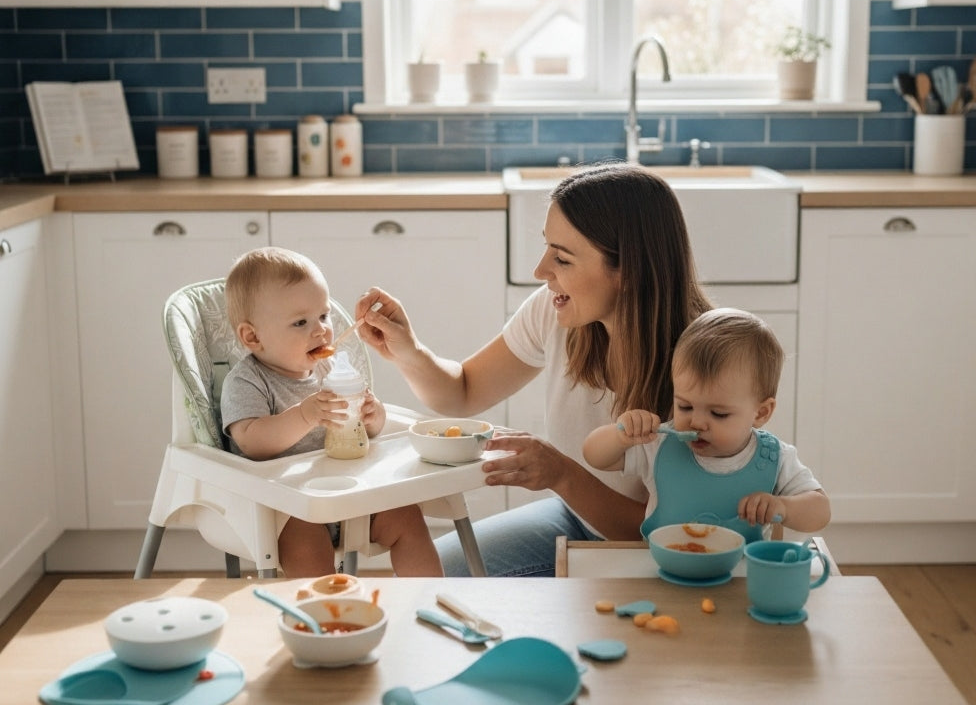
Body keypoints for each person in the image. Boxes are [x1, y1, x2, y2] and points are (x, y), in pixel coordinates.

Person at [352, 163, 714, 576]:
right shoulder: (558, 311)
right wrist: (407, 350)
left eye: (561, 258)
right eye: (547, 248)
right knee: (429, 574)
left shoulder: (704, 359)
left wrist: (560, 473)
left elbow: (665, 532)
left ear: (627, 271)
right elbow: (464, 391)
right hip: (575, 517)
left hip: (660, 553)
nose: (540, 272)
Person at [220, 246, 443, 578]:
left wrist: (372, 416)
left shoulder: (329, 370)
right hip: (289, 508)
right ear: (252, 336)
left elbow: (363, 433)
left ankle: (430, 597)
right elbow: (251, 441)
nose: (321, 330)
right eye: (300, 322)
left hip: (349, 492)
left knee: (406, 516)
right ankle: (324, 618)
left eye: (323, 316)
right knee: (307, 547)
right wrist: (305, 415)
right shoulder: (247, 381)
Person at [583, 307, 831, 541]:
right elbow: (594, 456)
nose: (697, 421)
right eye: (685, 407)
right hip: (664, 573)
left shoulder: (774, 458)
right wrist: (620, 436)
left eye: (719, 413)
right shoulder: (661, 445)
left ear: (761, 413)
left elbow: (820, 511)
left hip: (738, 580)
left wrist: (783, 507)